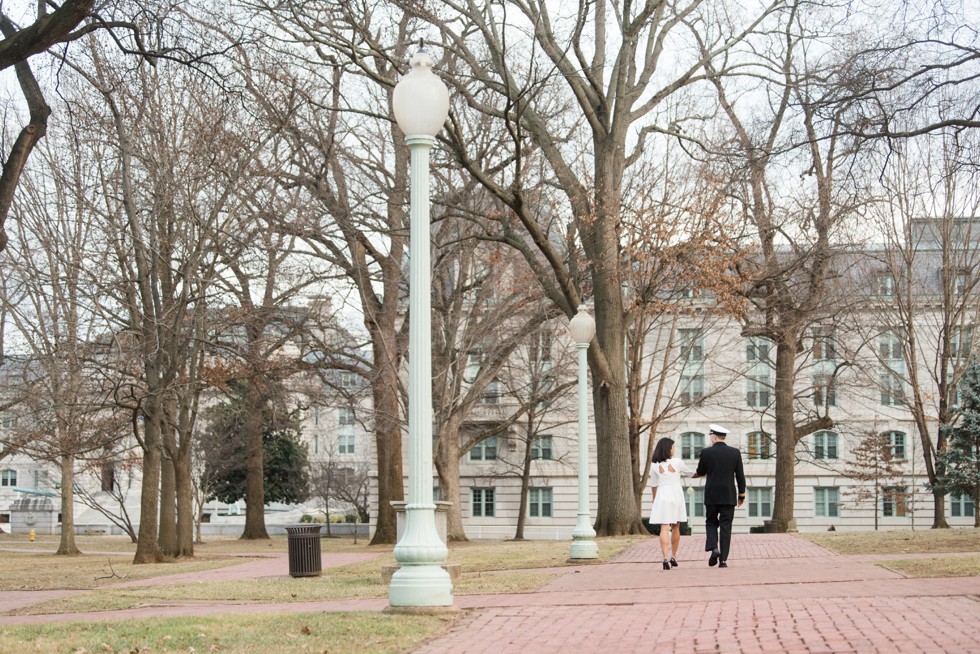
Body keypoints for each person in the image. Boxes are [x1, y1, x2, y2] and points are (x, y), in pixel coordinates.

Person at [693, 424, 745, 568]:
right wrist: (741, 495)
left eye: (711, 436)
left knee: (710, 522)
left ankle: (714, 548)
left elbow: (701, 471)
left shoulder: (706, 452)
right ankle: (723, 560)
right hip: (728, 495)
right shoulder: (735, 453)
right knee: (726, 526)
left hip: (712, 494)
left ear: (714, 436)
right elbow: (740, 475)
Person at [648, 437, 694, 571]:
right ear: (668, 448)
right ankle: (674, 556)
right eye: (673, 447)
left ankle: (664, 557)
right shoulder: (677, 462)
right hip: (675, 495)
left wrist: (655, 500)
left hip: (662, 495)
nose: (674, 449)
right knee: (676, 526)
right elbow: (691, 474)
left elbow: (654, 485)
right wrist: (704, 472)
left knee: (664, 528)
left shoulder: (655, 465)